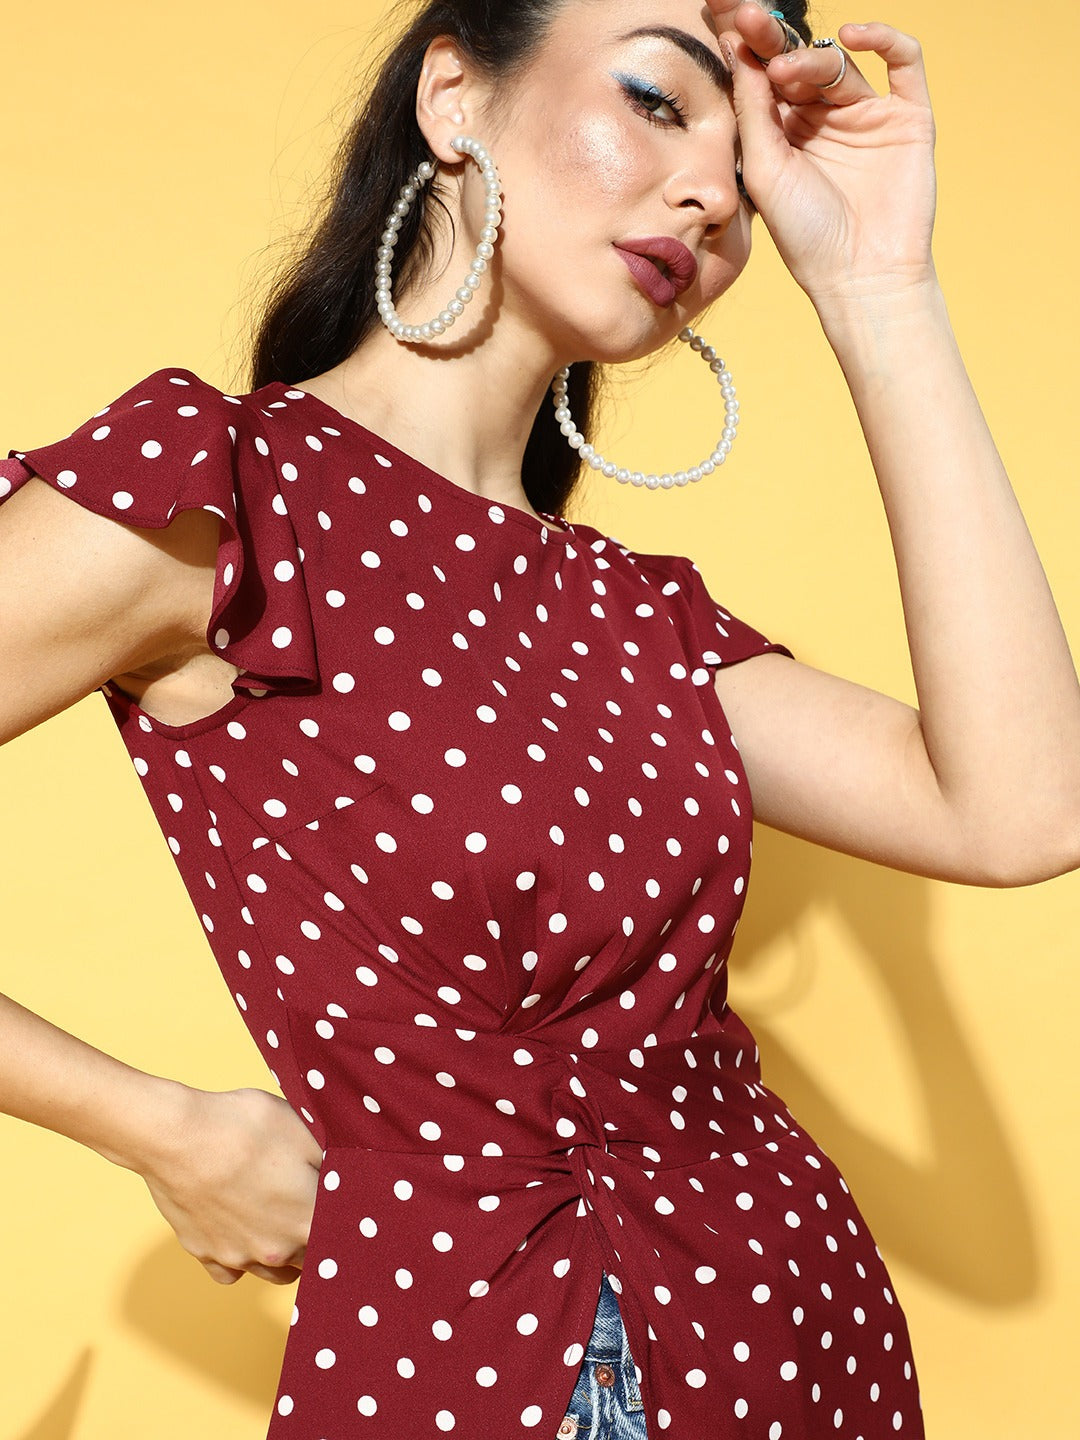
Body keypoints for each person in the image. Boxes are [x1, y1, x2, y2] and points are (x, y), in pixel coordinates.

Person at [2, 1, 1078, 1437]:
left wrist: (881, 285)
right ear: (454, 94)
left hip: (804, 1341)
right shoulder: (226, 494)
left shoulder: (642, 614)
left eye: (746, 178)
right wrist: (158, 1127)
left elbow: (1021, 810)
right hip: (494, 1359)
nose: (711, 196)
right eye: (656, 101)